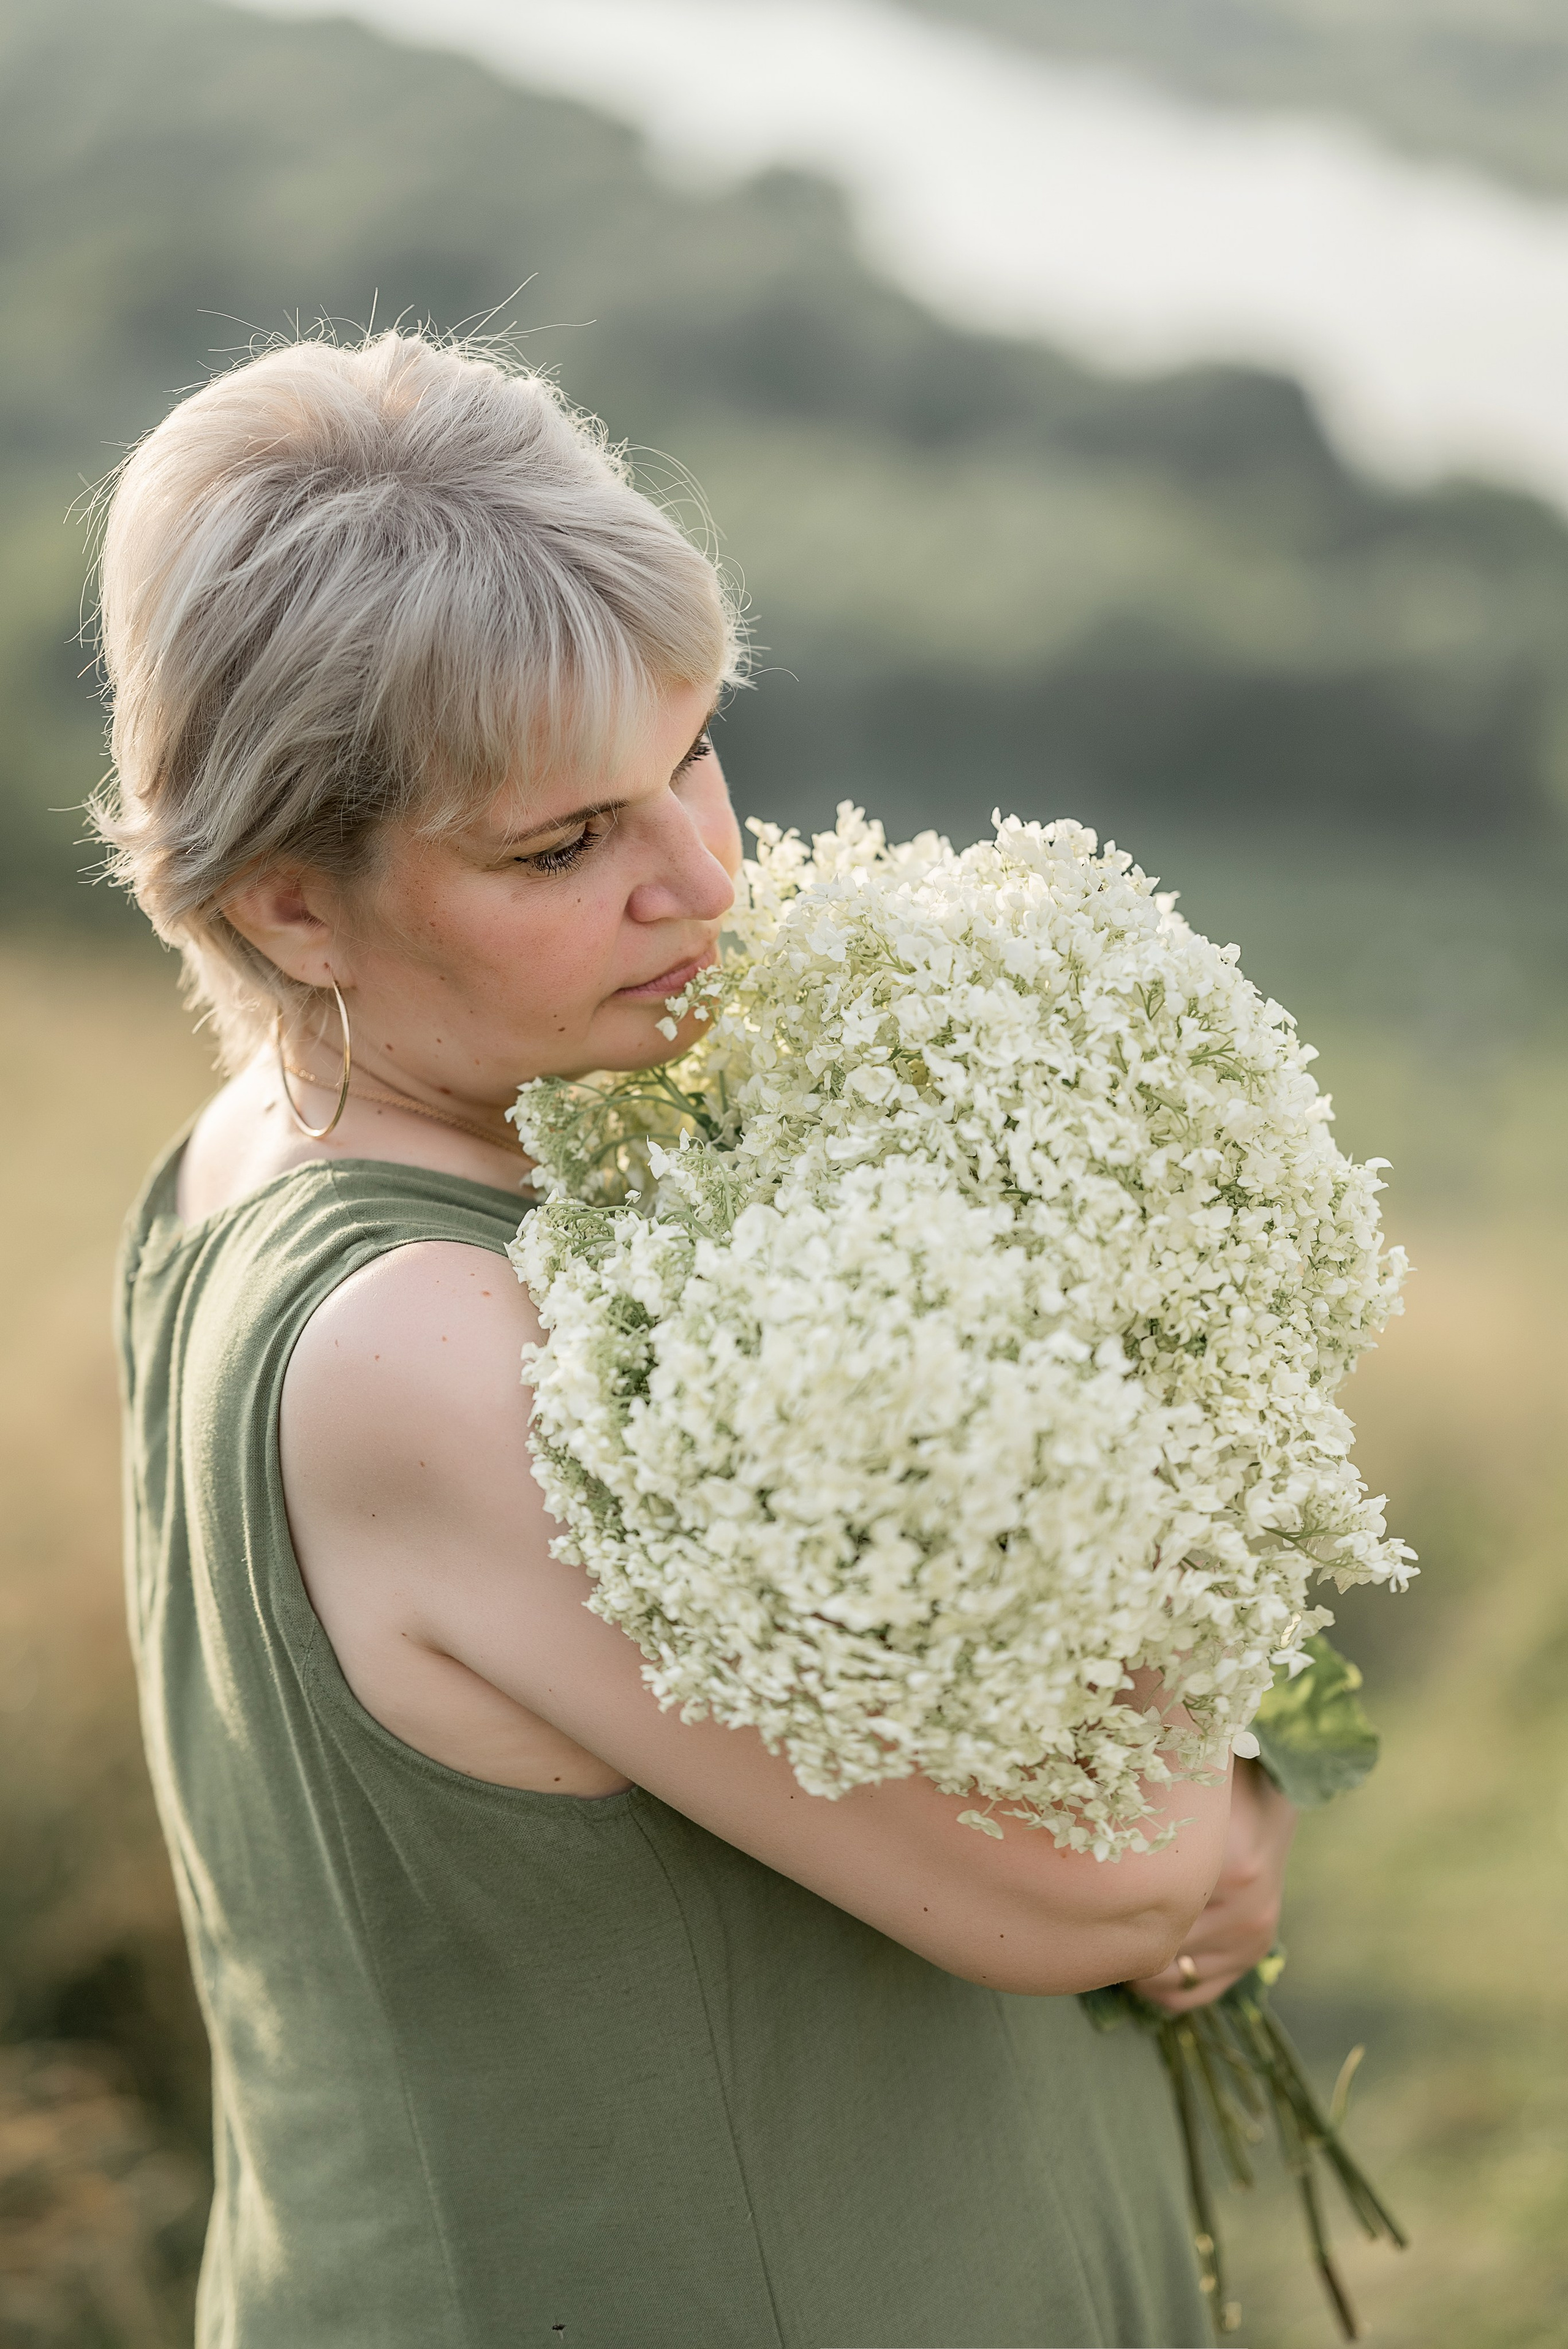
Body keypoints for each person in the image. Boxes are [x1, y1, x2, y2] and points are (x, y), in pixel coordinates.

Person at [101, 331, 1296, 2349]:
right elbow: (1102, 1882)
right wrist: (1237, 1800)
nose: (703, 881)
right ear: (294, 907)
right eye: (561, 846)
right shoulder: (421, 1347)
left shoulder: (285, 1146)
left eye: (697, 754)